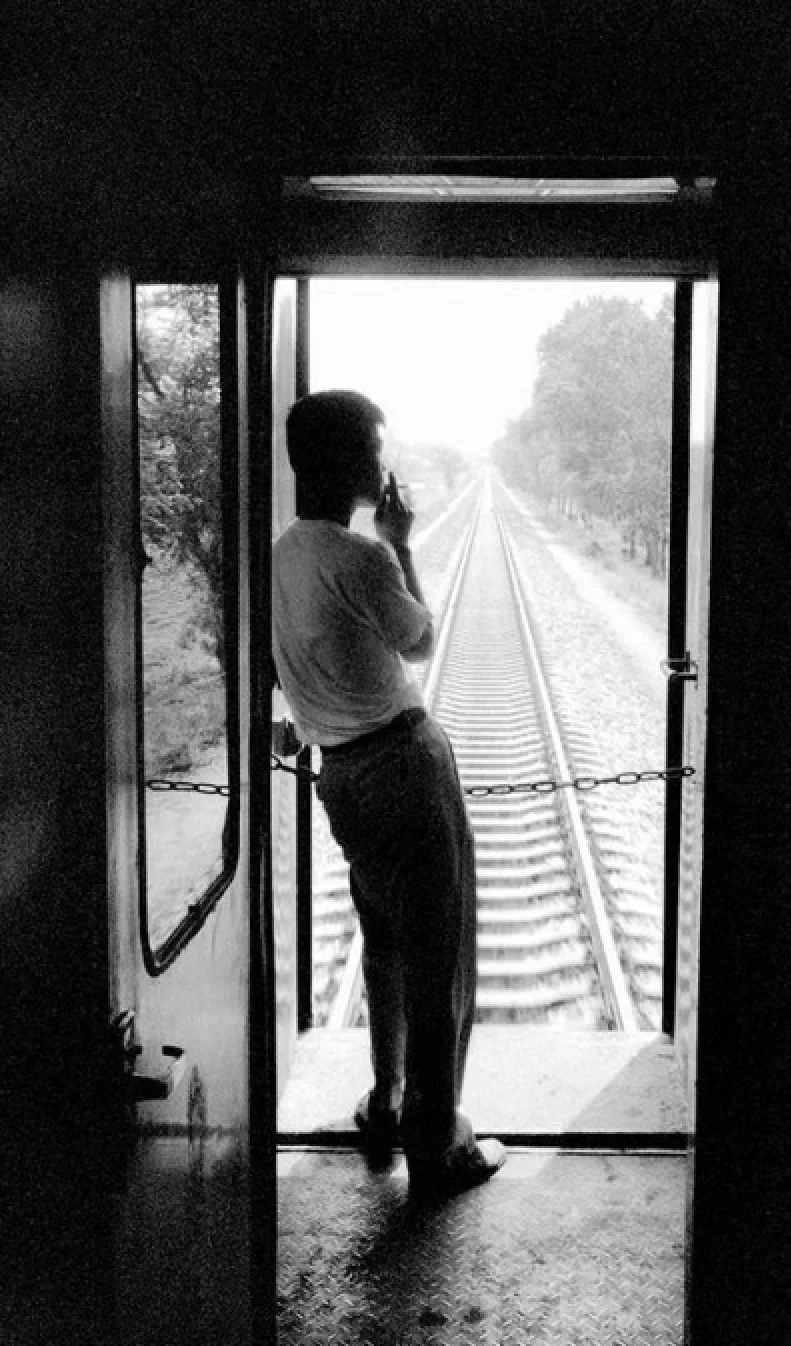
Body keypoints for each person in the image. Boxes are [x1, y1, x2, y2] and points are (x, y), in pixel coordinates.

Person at [271, 389, 505, 1197]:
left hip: (341, 777)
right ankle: (437, 1146)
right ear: (342, 464)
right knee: (439, 957)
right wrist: (399, 543)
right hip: (406, 766)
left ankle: (386, 1098)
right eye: (374, 451)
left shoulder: (282, 553)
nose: (384, 464)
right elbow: (422, 639)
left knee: (383, 944)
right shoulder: (361, 557)